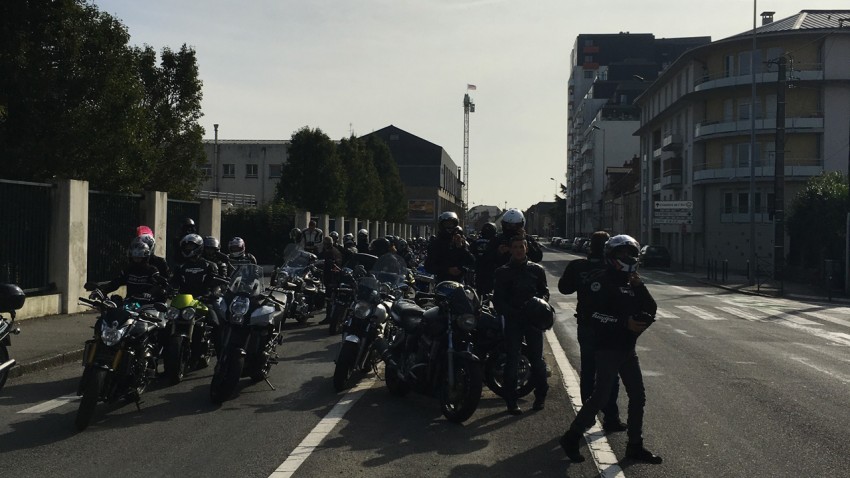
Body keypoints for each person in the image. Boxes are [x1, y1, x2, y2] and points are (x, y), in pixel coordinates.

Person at [559, 234, 662, 464]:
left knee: (638, 396)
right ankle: (572, 436)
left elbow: (651, 308)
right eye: (622, 254)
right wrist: (623, 323)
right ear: (611, 256)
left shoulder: (631, 283)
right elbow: (592, 315)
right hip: (607, 348)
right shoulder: (601, 282)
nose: (627, 258)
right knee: (600, 397)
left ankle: (635, 445)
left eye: (631, 253)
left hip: (627, 349)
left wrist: (641, 287)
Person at [558, 230, 627, 432]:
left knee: (589, 371)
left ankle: (587, 417)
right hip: (611, 327)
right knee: (611, 373)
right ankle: (611, 417)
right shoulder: (614, 267)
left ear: (589, 247)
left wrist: (582, 280)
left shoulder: (579, 266)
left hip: (587, 324)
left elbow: (564, 289)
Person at [492, 231, 550, 415]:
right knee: (512, 360)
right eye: (515, 247)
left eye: (521, 247)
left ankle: (540, 396)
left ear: (526, 248)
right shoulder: (502, 272)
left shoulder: (536, 270)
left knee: (537, 361)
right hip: (513, 321)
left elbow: (544, 292)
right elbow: (498, 301)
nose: (518, 250)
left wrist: (538, 303)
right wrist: (514, 311)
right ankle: (511, 400)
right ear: (510, 249)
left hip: (533, 322)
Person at [86, 238, 167, 301]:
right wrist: (101, 290)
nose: (137, 260)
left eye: (139, 258)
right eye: (135, 258)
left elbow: (158, 284)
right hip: (130, 303)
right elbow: (116, 282)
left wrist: (149, 294)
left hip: (146, 304)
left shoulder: (152, 270)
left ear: (145, 257)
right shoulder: (128, 270)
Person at [424, 212, 475, 283]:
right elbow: (429, 266)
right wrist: (447, 270)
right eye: (447, 224)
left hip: (459, 283)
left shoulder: (461, 242)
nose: (449, 227)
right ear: (441, 225)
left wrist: (461, 248)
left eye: (451, 224)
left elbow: (471, 262)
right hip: (442, 282)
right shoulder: (436, 243)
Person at [471, 222, 497, 296]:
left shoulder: (476, 242)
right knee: (487, 294)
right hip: (490, 271)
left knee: (477, 292)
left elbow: (471, 253)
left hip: (478, 270)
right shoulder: (494, 243)